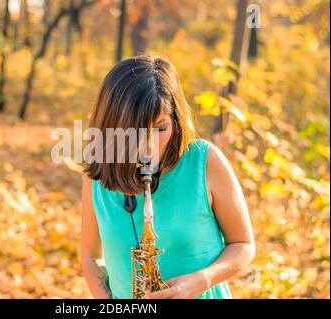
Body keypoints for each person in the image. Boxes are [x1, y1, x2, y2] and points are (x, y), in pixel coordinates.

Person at [80, 55, 255, 299]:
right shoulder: (97, 173)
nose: (150, 145)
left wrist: (202, 280)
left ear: (175, 120)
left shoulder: (205, 162)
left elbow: (244, 246)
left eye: (161, 128)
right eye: (137, 132)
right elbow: (89, 256)